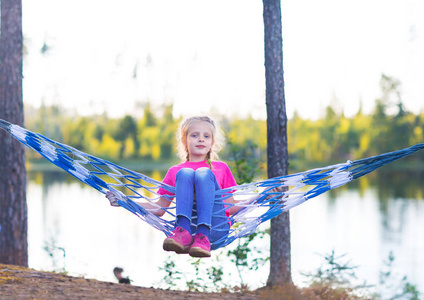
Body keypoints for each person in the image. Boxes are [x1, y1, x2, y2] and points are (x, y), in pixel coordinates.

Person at [106, 116, 247, 258]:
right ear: (184, 140)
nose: (201, 139)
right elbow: (159, 208)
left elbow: (230, 207)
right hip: (189, 233)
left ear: (212, 142)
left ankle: (203, 235)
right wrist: (124, 201)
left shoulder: (220, 169)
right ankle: (182, 231)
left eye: (206, 136)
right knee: (185, 173)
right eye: (194, 135)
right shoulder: (175, 172)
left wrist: (263, 196)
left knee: (203, 173)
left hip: (215, 229)